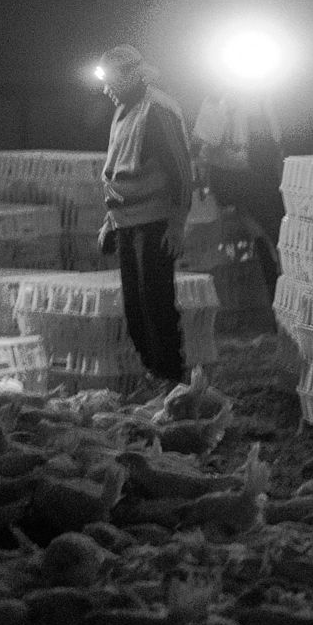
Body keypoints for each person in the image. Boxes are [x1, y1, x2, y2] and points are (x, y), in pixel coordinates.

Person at [95, 44, 197, 389]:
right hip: (128, 222)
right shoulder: (125, 109)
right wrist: (111, 220)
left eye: (111, 81)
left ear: (132, 76)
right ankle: (153, 373)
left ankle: (170, 376)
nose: (106, 89)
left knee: (156, 304)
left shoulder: (158, 111)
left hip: (154, 223)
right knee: (136, 306)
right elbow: (118, 170)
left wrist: (177, 224)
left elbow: (181, 171)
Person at [191, 90, 285, 298]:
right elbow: (207, 142)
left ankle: (278, 291)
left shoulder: (264, 97)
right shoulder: (218, 98)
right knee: (265, 236)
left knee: (274, 235)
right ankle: (273, 288)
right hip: (235, 180)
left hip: (264, 179)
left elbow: (277, 142)